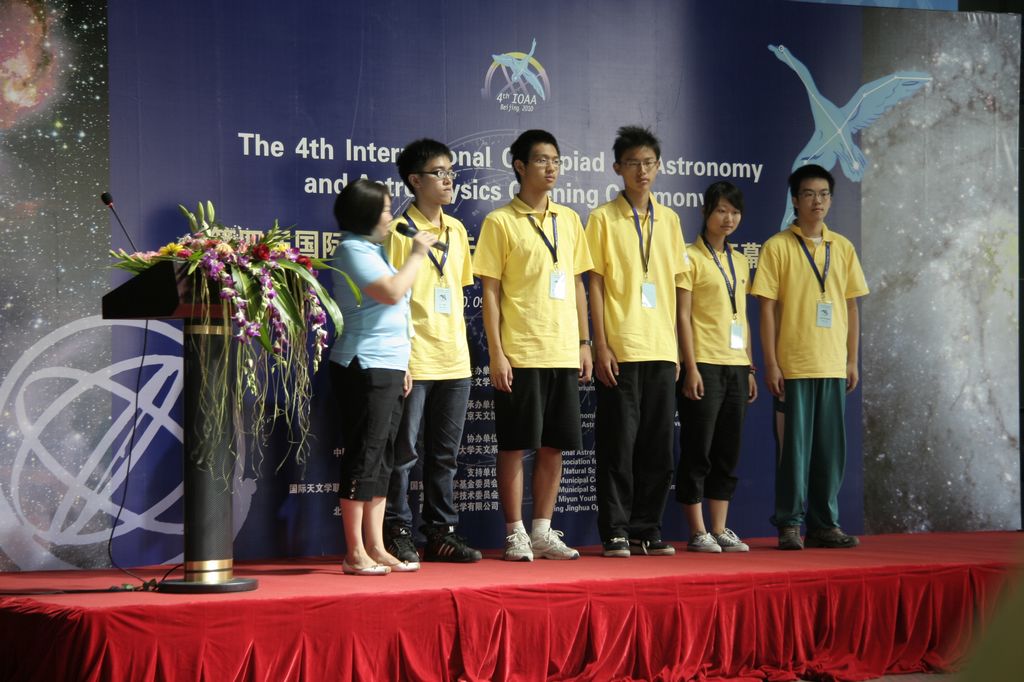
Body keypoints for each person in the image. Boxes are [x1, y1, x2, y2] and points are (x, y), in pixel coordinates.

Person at [473, 129, 593, 562]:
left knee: (554, 445)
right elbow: (490, 292)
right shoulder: (500, 221)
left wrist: (584, 342)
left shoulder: (570, 219)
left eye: (556, 160)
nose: (551, 168)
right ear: (520, 166)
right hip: (520, 352)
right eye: (542, 160)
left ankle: (542, 530)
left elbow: (577, 284)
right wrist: (497, 353)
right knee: (514, 444)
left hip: (563, 350)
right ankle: (515, 533)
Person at [751, 164, 869, 550]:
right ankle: (789, 523)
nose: (817, 201)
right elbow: (766, 309)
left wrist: (851, 360)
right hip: (794, 366)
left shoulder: (843, 248)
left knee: (830, 452)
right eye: (808, 194)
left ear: (830, 200)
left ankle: (824, 524)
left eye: (823, 194)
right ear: (795, 200)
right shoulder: (777, 246)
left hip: (832, 364)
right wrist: (772, 363)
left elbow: (851, 307)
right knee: (794, 452)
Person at [585, 125, 690, 558]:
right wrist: (601, 344)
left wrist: (679, 350)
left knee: (658, 447)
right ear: (617, 168)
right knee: (618, 445)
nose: (641, 171)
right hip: (622, 348)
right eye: (633, 164)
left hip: (662, 349)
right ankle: (615, 530)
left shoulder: (671, 220)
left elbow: (678, 287)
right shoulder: (602, 218)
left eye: (648, 163)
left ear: (659, 166)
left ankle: (648, 527)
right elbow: (594, 284)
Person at [329, 178, 437, 575]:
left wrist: (404, 364)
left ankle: (376, 546)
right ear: (367, 214)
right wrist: (418, 253)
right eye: (387, 210)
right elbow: (391, 292)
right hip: (364, 364)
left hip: (389, 364)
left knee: (384, 457)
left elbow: (394, 313)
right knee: (365, 454)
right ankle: (354, 551)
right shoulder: (351, 250)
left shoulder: (374, 250)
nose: (391, 217)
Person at [382, 139, 482, 564]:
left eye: (450, 172)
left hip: (455, 360)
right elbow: (390, 298)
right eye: (438, 173)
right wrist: (400, 358)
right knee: (403, 454)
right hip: (414, 358)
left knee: (446, 455)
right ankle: (396, 531)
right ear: (415, 180)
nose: (448, 180)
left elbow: (455, 291)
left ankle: (441, 532)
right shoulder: (397, 232)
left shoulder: (456, 230)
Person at [676, 181, 758, 553]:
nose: (728, 218)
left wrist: (750, 366)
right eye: (722, 210)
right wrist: (690, 366)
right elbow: (682, 315)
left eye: (735, 212)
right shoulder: (689, 257)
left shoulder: (740, 261)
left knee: (727, 450)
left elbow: (742, 316)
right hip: (704, 364)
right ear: (706, 211)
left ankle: (720, 528)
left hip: (736, 365)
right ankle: (697, 531)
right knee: (698, 448)